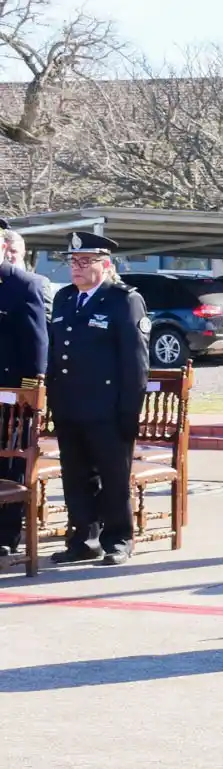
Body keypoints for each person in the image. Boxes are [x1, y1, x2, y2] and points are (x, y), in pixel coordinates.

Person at [47, 232, 150, 567]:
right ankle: (84, 539)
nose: (76, 268)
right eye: (73, 261)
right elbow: (56, 354)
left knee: (113, 477)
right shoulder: (64, 299)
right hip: (69, 406)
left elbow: (135, 362)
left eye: (85, 261)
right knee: (75, 478)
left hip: (107, 408)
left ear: (105, 265)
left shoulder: (123, 300)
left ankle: (119, 539)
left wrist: (129, 411)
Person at [0, 220, 49, 558]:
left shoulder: (23, 285)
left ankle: (6, 535)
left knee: (9, 467)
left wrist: (28, 399)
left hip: (10, 396)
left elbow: (37, 351)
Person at [1, 222, 53, 318]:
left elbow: (46, 320)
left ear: (23, 253)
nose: (7, 255)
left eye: (13, 251)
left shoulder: (37, 283)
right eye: (5, 251)